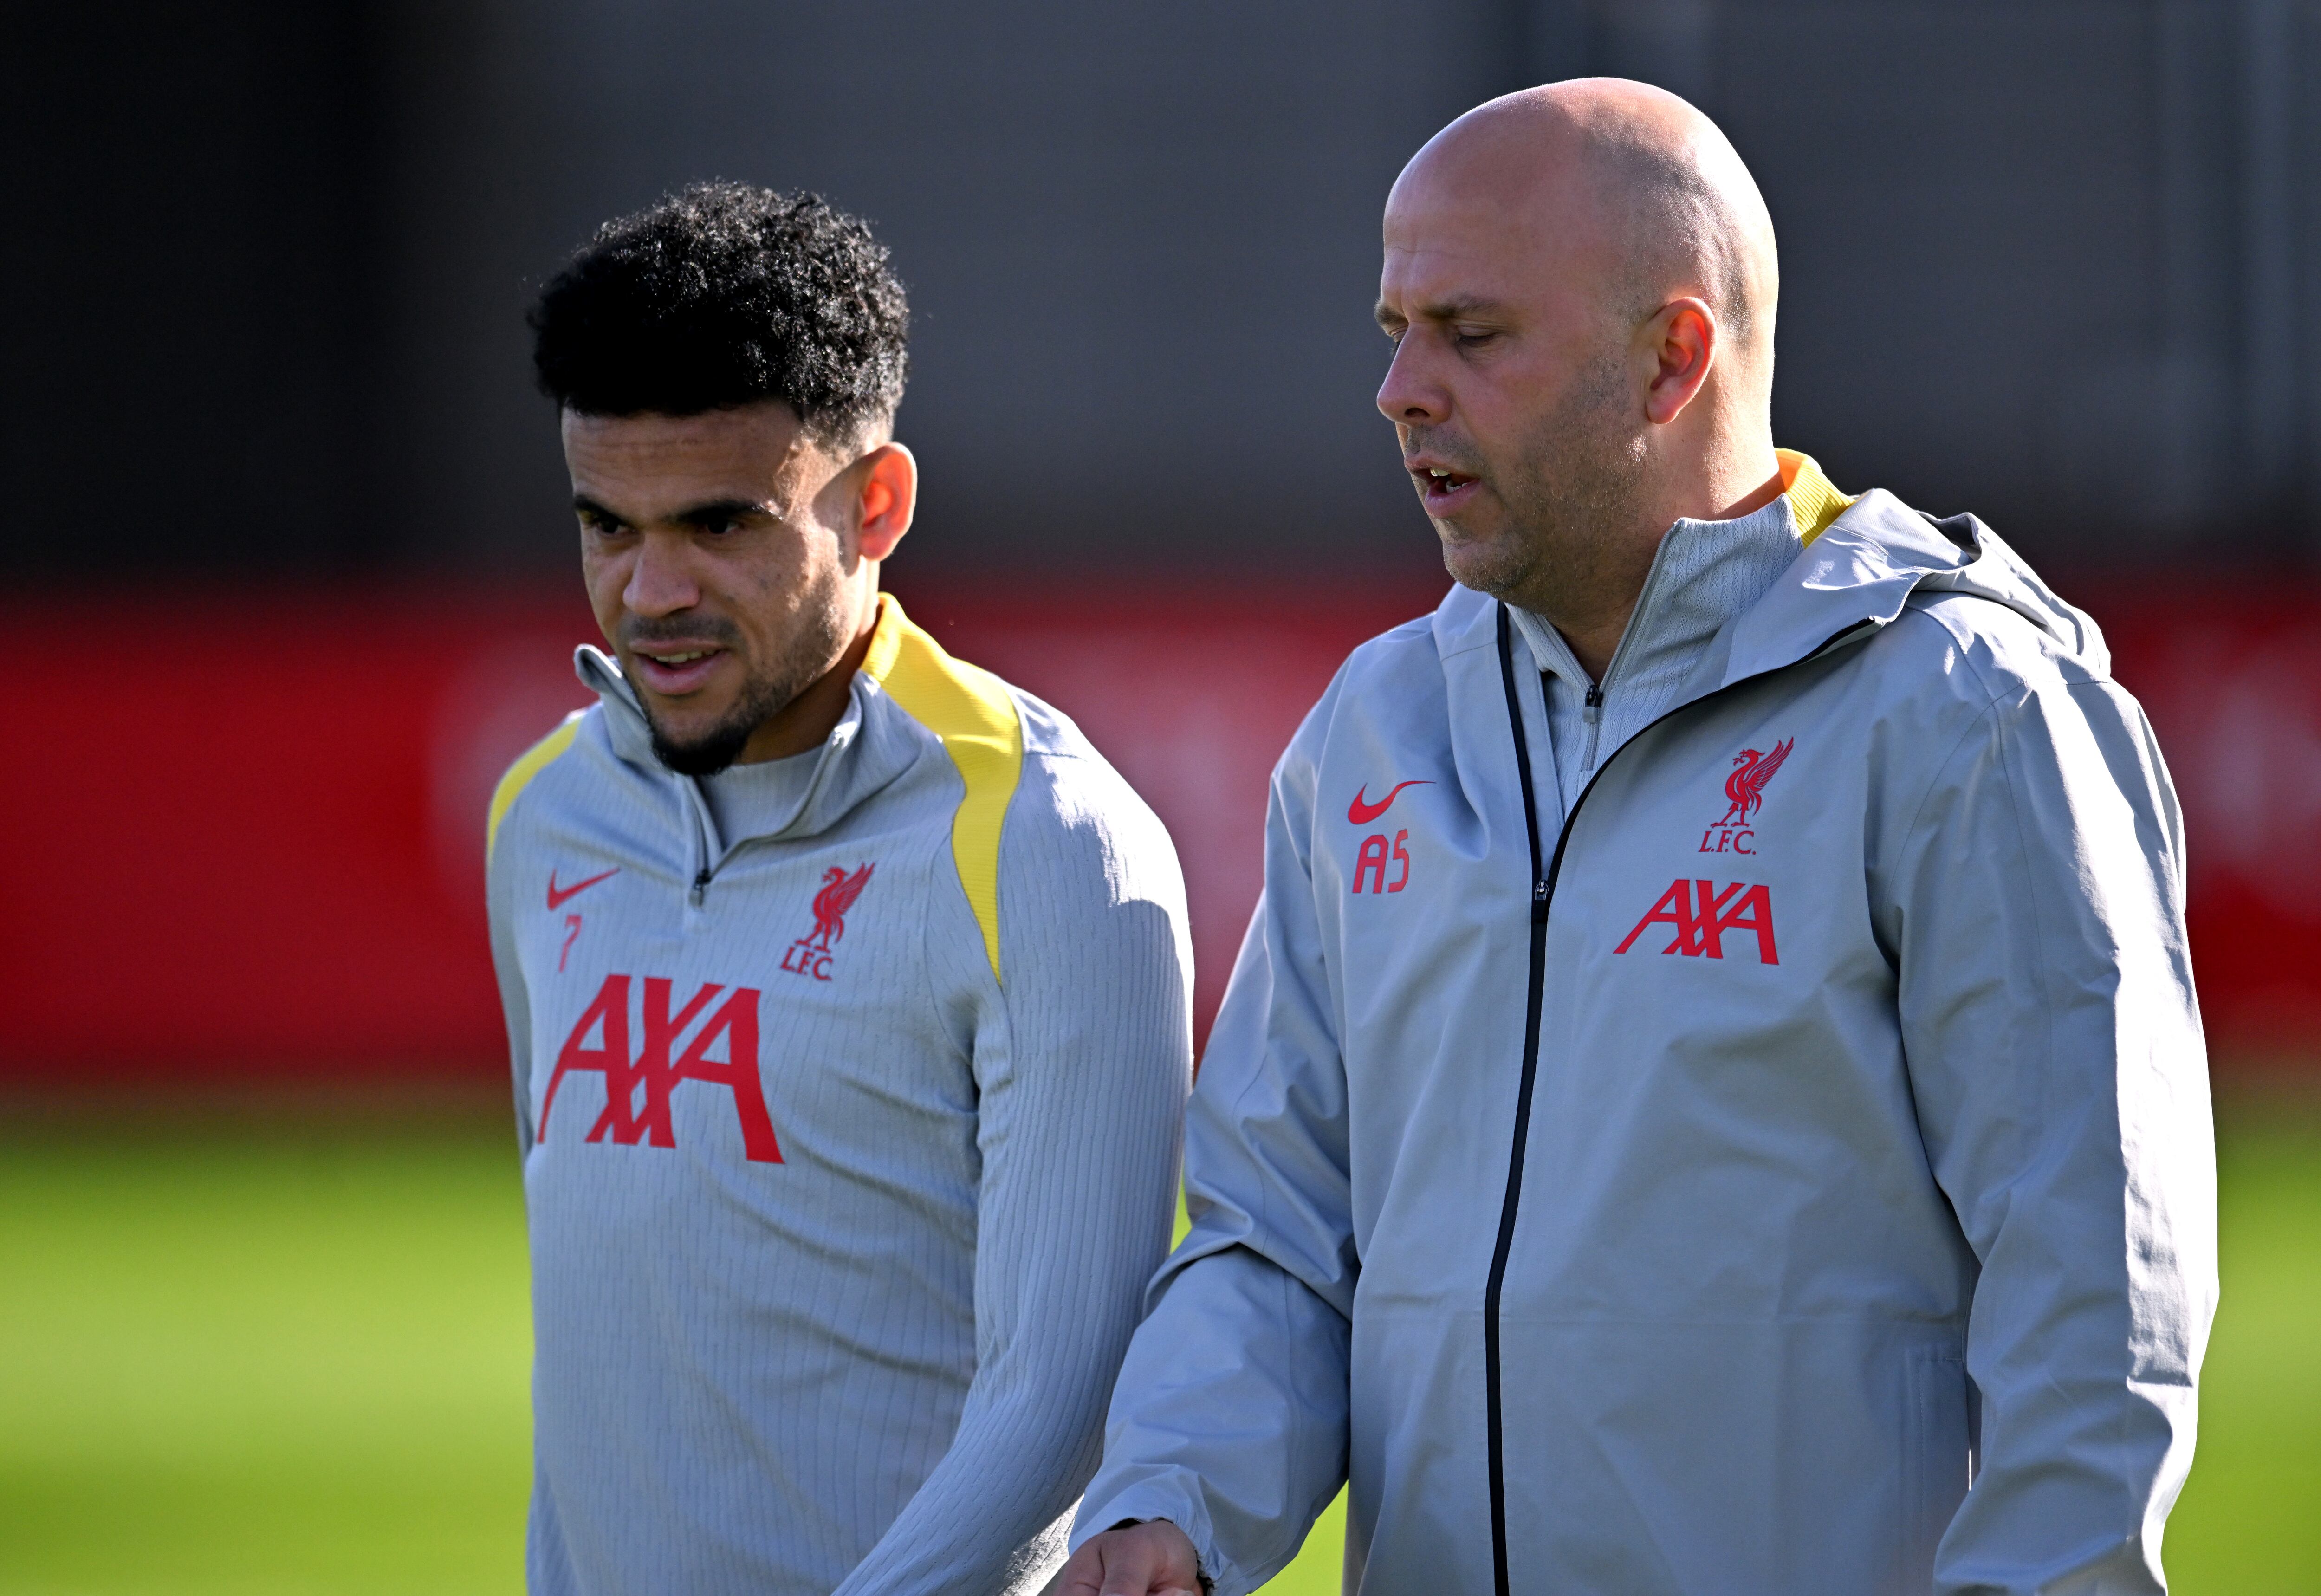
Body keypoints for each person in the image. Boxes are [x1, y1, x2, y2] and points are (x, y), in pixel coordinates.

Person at [1061, 80, 2214, 1596]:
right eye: (1394, 330)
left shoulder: (1969, 711)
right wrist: (1170, 1501)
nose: (1402, 389)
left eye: (1470, 334)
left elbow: (2097, 1298)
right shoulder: (1376, 727)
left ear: (1674, 358)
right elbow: (1280, 1234)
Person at [487, 183, 1192, 1596]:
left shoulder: (1050, 844)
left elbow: (1064, 1398)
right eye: (607, 527)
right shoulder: (544, 814)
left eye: (721, 526)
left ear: (877, 505)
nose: (650, 592)